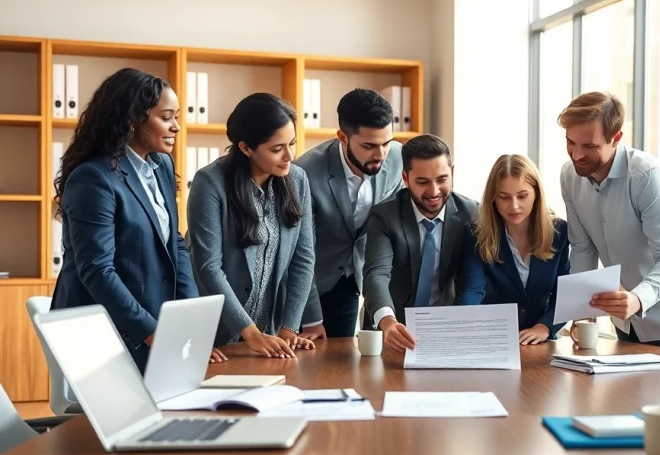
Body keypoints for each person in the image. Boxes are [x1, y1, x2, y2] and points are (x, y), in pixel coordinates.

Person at [51, 67, 204, 371]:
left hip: (148, 320)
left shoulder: (160, 165)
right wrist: (152, 332)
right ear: (132, 121)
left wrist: (190, 319)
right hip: (102, 330)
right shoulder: (93, 178)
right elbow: (97, 270)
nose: (176, 127)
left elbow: (174, 241)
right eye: (166, 117)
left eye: (177, 117)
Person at [558, 91, 660, 354]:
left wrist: (638, 299)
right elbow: (583, 248)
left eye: (590, 146)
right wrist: (581, 310)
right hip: (626, 319)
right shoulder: (569, 177)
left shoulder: (647, 177)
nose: (577, 155)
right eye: (570, 142)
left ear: (616, 138)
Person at [187, 93, 315, 358]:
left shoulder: (298, 180)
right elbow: (209, 267)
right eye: (277, 149)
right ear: (246, 148)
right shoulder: (210, 183)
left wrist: (289, 327)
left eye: (291, 143)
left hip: (267, 336)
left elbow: (303, 259)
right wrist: (250, 332)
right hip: (215, 336)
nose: (289, 156)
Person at [294, 88, 404, 339]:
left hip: (354, 280)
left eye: (386, 143)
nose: (381, 155)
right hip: (309, 285)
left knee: (342, 367)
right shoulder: (306, 174)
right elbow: (301, 253)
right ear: (342, 137)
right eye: (369, 146)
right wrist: (311, 319)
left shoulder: (398, 158)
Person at [362, 134, 479, 353]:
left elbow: (475, 280)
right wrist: (388, 322)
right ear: (405, 179)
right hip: (391, 331)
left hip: (447, 331)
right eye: (423, 182)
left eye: (442, 180)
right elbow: (376, 274)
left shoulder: (472, 214)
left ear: (452, 173)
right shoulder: (385, 215)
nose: (434, 192)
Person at [459, 154, 571, 345]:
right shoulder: (477, 233)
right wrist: (468, 326)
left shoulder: (559, 232)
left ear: (536, 193)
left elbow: (564, 295)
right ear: (493, 198)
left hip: (540, 342)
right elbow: (473, 289)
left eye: (522, 196)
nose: (514, 206)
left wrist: (544, 327)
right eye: (504, 197)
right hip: (492, 340)